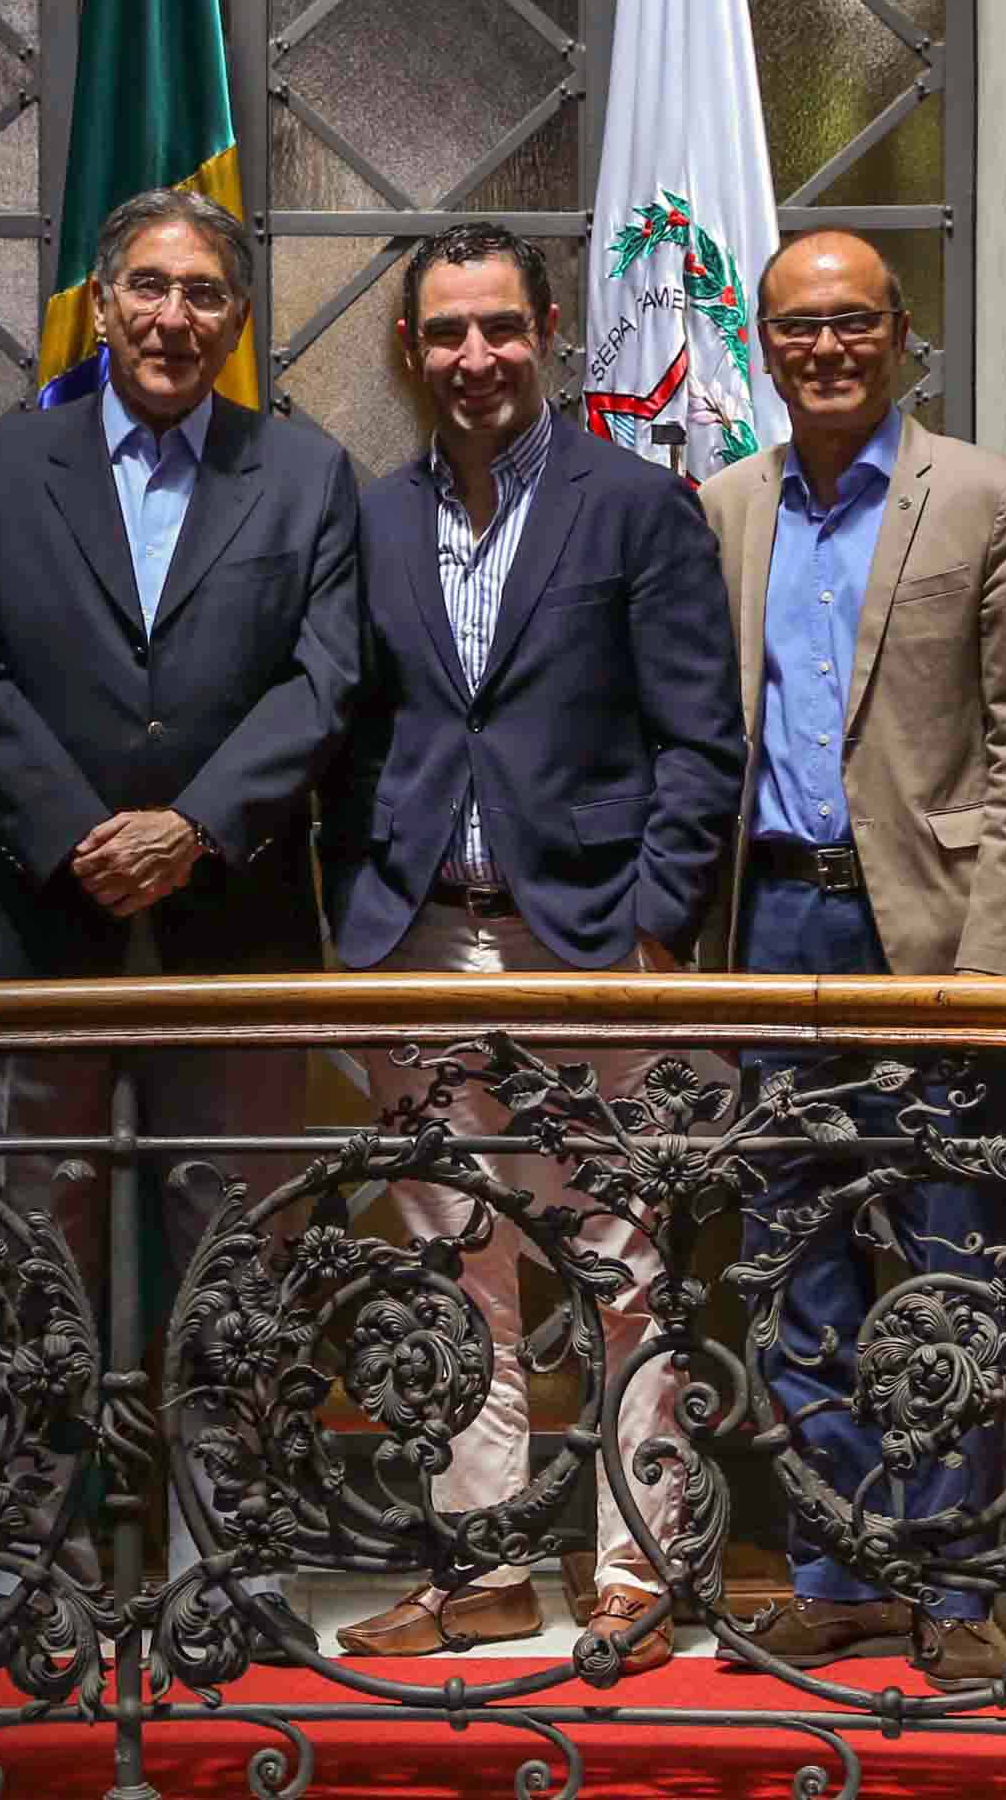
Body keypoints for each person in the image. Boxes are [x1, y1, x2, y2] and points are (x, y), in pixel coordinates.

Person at [0, 187, 361, 1642]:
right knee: (25, 1255)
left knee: (238, 1253)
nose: (175, 318)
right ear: (101, 304)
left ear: (237, 321)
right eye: (150, 290)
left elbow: (323, 680)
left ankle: (230, 1563)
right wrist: (76, 835)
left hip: (231, 923)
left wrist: (192, 828)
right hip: (35, 924)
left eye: (205, 295)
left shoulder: (303, 470)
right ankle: (25, 1565)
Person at [318, 222, 739, 1674]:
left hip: (592, 945)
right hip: (422, 941)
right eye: (445, 332)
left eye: (499, 325)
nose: (474, 355)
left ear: (547, 330)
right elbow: (351, 733)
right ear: (408, 350)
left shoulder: (634, 504)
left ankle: (636, 1566)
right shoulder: (371, 519)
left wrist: (654, 926)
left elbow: (700, 739)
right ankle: (482, 1568)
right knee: (456, 1268)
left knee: (626, 1264)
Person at [694, 230, 1006, 1684]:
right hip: (771, 927)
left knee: (950, 1257)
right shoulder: (727, 503)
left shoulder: (984, 493)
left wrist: (991, 963)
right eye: (797, 325)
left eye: (852, 321)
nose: (826, 346)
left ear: (900, 334)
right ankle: (837, 1571)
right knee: (794, 1262)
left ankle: (955, 1587)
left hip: (932, 933)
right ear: (764, 346)